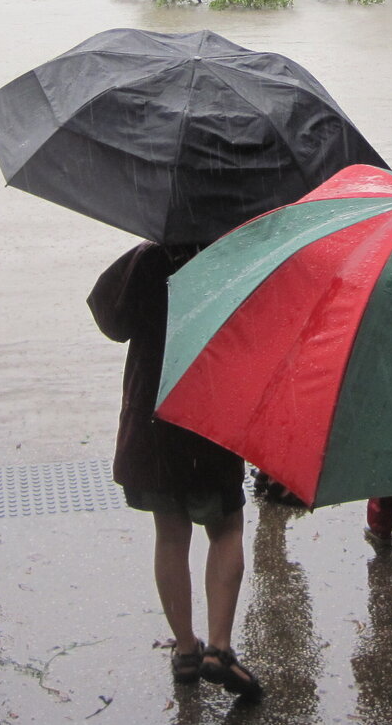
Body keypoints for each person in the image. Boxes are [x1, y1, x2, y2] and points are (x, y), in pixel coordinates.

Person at [88, 241, 262, 701]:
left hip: (155, 415)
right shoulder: (238, 250)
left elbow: (110, 319)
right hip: (211, 414)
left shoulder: (151, 257)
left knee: (170, 534)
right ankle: (219, 649)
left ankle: (186, 649)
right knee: (225, 529)